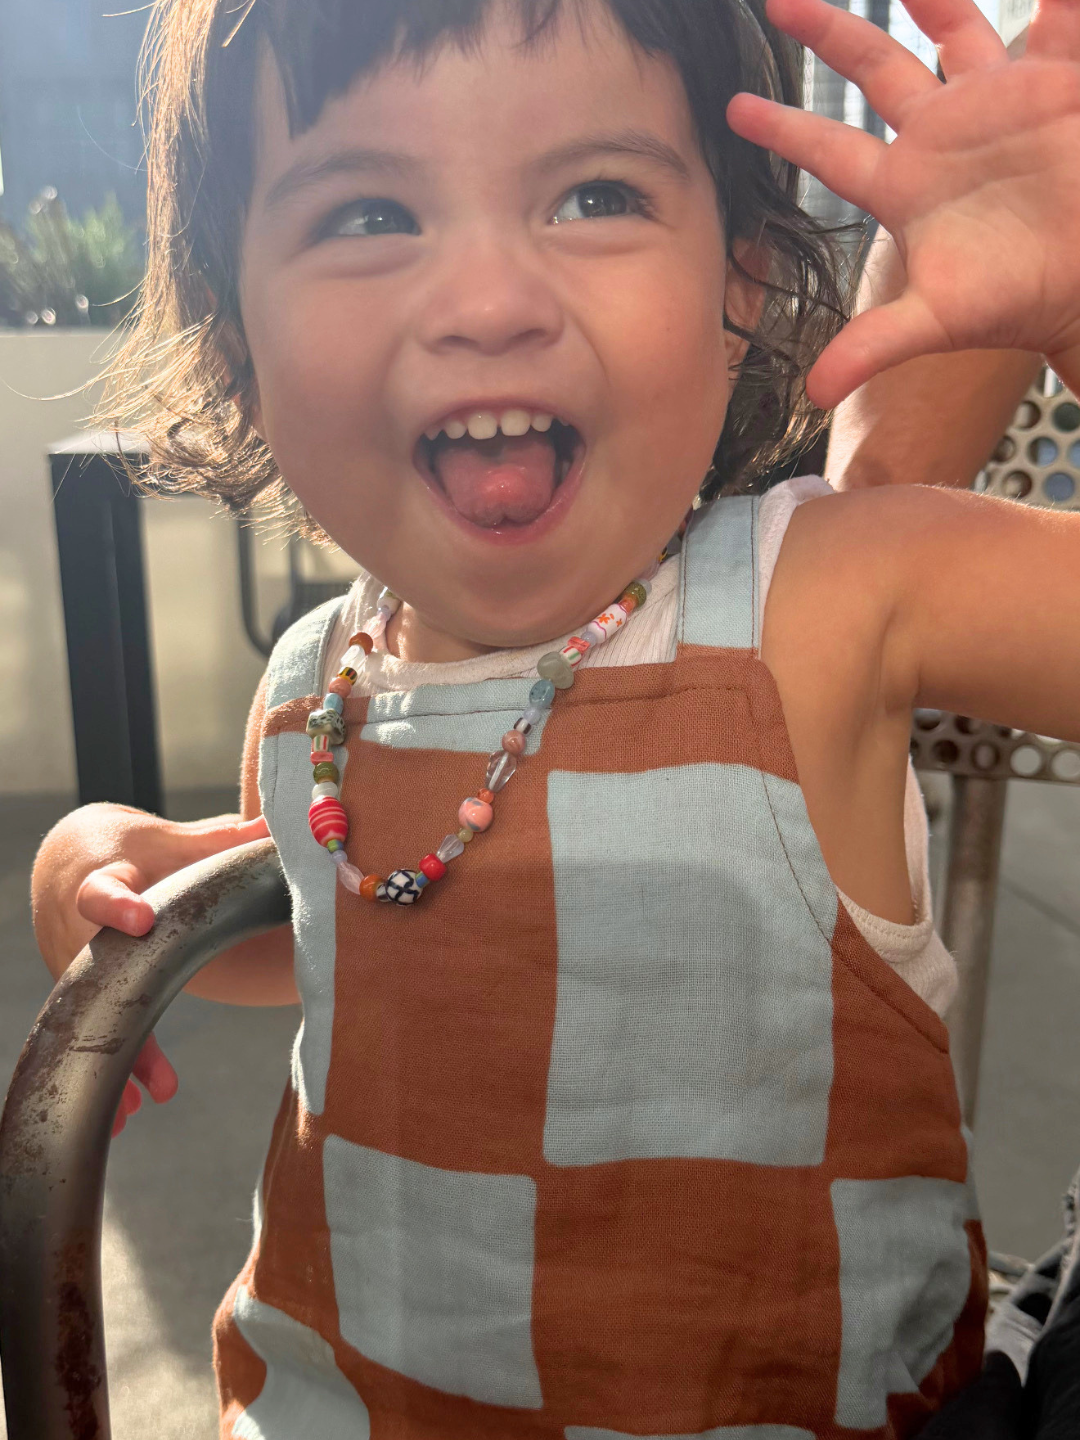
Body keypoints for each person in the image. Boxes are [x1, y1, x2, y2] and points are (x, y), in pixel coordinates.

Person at [27, 0, 1080, 1431]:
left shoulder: (828, 597)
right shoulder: (314, 685)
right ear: (239, 327)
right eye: (369, 211)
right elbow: (363, 936)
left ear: (745, 280)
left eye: (596, 195)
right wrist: (109, 866)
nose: (488, 300)